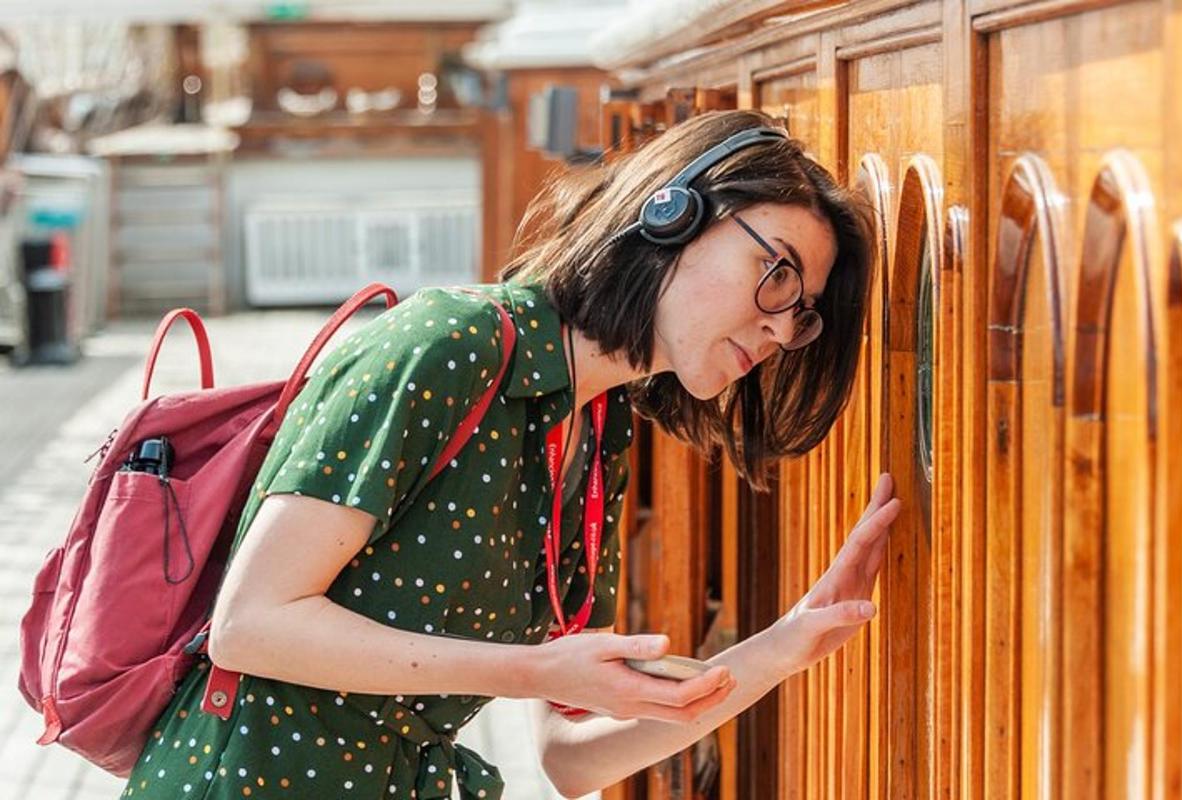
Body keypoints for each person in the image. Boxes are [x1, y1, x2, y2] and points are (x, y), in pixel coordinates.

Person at [120, 108, 900, 800]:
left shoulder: (598, 431)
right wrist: (529, 670)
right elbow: (251, 624)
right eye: (778, 275)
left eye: (801, 316)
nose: (778, 329)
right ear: (671, 213)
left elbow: (571, 758)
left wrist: (782, 649)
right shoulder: (447, 346)